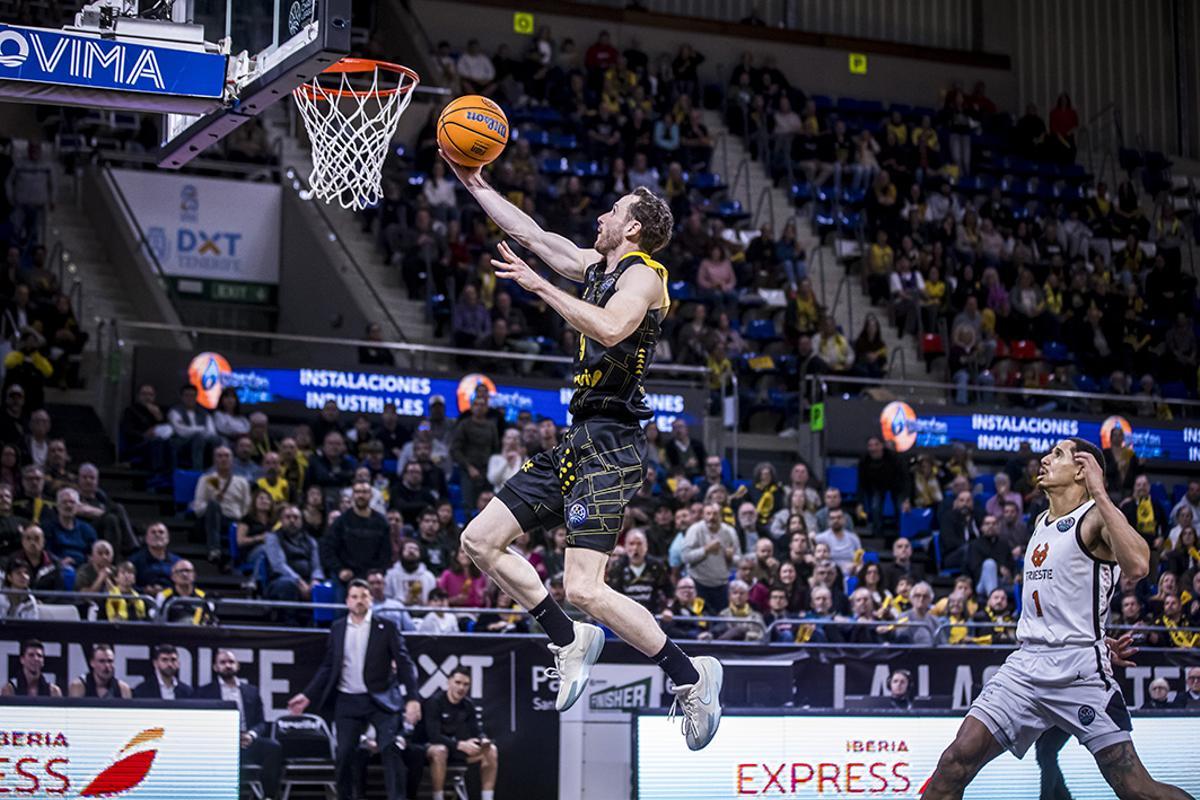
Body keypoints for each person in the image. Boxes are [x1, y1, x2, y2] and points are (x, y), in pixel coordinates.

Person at [443, 152, 722, 749]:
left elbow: (611, 328)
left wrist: (540, 286)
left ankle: (690, 676)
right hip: (578, 436)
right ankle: (568, 637)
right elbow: (532, 234)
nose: (602, 215)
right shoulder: (598, 262)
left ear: (635, 227)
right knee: (478, 540)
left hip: (614, 445)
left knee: (586, 588)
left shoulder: (645, 275)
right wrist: (476, 184)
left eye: (613, 211)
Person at [923, 439, 1189, 800]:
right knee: (954, 762)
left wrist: (1099, 491)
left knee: (1135, 790)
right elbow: (1063, 593)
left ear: (1082, 471)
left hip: (1078, 673)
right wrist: (1092, 632)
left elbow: (1139, 566)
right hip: (1026, 666)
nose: (1045, 459)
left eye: (1058, 455)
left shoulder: (1097, 515)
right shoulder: (1041, 520)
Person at [287, 579, 421, 800]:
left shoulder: (386, 627)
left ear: (371, 599)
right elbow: (328, 666)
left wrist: (413, 698)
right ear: (347, 601)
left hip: (381, 698)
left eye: (363, 596)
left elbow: (404, 663)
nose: (359, 601)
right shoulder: (338, 628)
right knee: (344, 754)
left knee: (391, 748)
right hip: (348, 699)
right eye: (355, 597)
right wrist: (307, 695)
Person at [196, 650, 282, 800]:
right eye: (223, 662)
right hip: (219, 745)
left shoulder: (251, 691)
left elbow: (261, 723)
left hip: (247, 742)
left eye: (231, 662)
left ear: (237, 665)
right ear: (215, 667)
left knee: (273, 747)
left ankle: (269, 796)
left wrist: (251, 735)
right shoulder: (205, 692)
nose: (227, 665)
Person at [423, 667, 499, 800]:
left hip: (455, 750)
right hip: (430, 749)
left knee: (491, 750)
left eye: (465, 684)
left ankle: (487, 797)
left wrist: (483, 739)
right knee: (440, 750)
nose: (461, 688)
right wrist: (460, 744)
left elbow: (477, 730)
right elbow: (433, 736)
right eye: (457, 683)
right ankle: (438, 797)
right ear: (449, 682)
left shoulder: (468, 705)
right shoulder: (434, 702)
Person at [321, 479, 390, 596]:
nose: (361, 495)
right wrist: (339, 570)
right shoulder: (341, 522)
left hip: (371, 575)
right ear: (353, 495)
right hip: (345, 575)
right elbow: (328, 549)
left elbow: (385, 553)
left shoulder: (381, 522)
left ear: (371, 495)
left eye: (364, 492)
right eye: (357, 492)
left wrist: (377, 572)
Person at [192, 445, 252, 564]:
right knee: (213, 505)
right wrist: (213, 501)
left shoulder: (242, 482)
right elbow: (197, 508)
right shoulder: (206, 479)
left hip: (234, 519)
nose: (223, 459)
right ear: (214, 460)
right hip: (211, 518)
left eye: (226, 456)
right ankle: (214, 549)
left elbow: (247, 507)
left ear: (232, 460)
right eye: (219, 456)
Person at [681, 501, 741, 613]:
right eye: (708, 514)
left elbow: (738, 560)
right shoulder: (695, 530)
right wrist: (705, 550)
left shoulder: (730, 532)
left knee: (722, 621)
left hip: (722, 585)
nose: (711, 517)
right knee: (700, 620)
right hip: (699, 583)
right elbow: (685, 557)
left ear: (721, 515)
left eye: (715, 514)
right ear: (703, 515)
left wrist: (731, 557)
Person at [168, 384, 219, 469]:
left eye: (192, 395)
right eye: (186, 395)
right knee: (198, 438)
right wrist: (201, 430)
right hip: (181, 443)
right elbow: (181, 431)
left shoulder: (204, 413)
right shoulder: (175, 411)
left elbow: (211, 432)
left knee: (218, 439)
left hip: (203, 441)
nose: (189, 398)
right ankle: (197, 471)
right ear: (181, 397)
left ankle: (216, 470)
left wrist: (202, 433)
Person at [128, 521, 180, 595]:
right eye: (153, 532)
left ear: (168, 539)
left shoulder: (178, 562)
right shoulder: (134, 561)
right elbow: (127, 585)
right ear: (146, 539)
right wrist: (144, 590)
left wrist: (166, 591)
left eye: (161, 532)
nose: (157, 535)